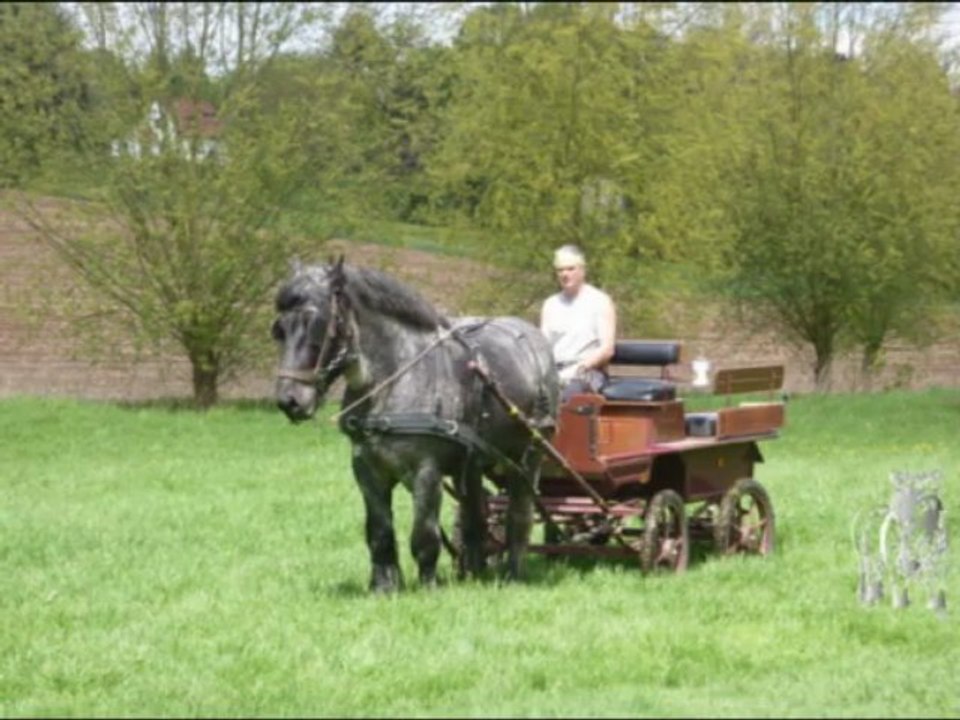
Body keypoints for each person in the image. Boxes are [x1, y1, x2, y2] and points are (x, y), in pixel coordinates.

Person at [540, 244, 617, 400]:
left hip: (588, 373)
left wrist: (577, 370)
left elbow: (607, 350)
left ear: (582, 270)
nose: (565, 274)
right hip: (554, 371)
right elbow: (542, 346)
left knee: (565, 396)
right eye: (560, 270)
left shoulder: (600, 301)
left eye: (570, 269)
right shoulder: (550, 304)